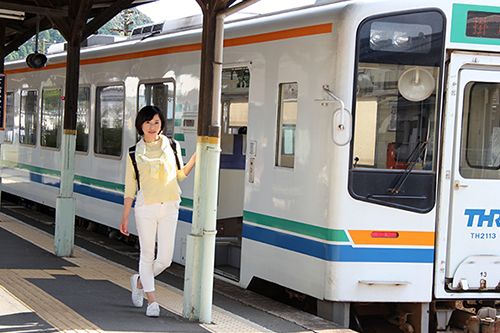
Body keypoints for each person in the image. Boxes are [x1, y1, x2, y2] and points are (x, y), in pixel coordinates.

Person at [119, 105, 196, 317]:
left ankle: (140, 281)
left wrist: (198, 156)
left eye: (156, 122)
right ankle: (152, 301)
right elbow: (130, 187)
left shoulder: (172, 145)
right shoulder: (134, 152)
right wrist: (125, 215)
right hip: (145, 208)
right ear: (140, 126)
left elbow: (180, 175)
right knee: (147, 255)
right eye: (148, 123)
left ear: (161, 124)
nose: (152, 127)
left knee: (164, 260)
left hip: (170, 206)